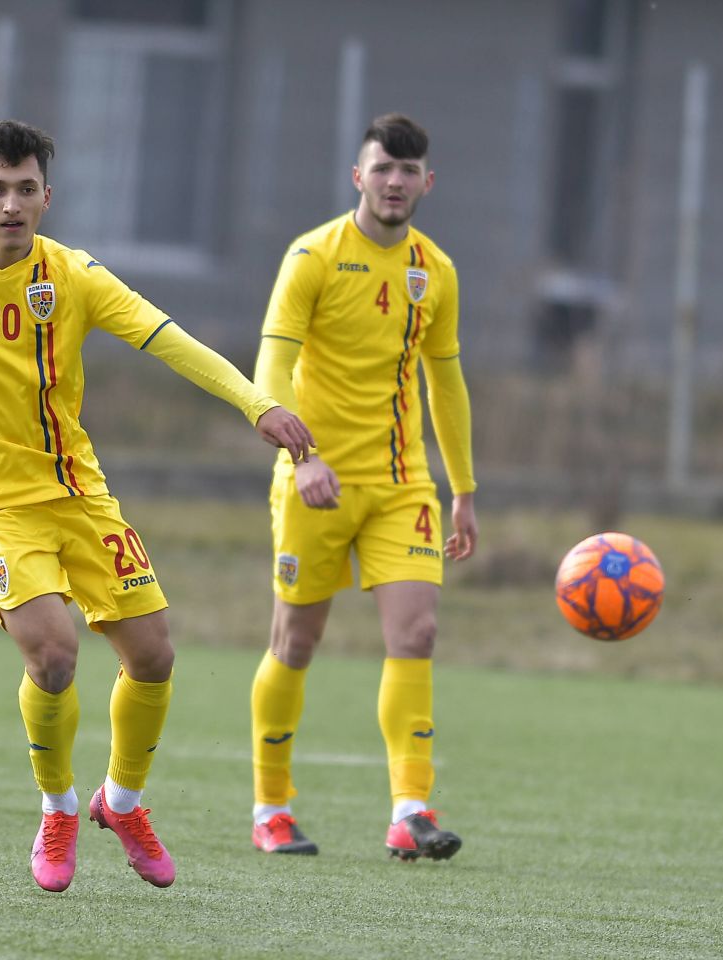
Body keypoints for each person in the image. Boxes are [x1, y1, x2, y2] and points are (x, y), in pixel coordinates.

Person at [0, 120, 314, 893]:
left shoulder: (74, 276)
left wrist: (257, 405)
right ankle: (58, 808)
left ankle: (123, 803)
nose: (10, 204)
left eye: (24, 189)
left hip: (79, 494)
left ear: (47, 196)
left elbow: (168, 339)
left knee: (153, 655)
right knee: (52, 655)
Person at [248, 113, 477, 861]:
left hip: (402, 484)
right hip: (314, 479)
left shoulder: (434, 270)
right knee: (296, 642)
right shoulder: (312, 256)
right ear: (359, 176)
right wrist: (300, 455)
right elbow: (272, 367)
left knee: (417, 634)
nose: (395, 182)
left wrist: (464, 489)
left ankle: (411, 810)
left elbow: (445, 381)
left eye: (409, 171)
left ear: (427, 183)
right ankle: (271, 810)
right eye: (382, 168)